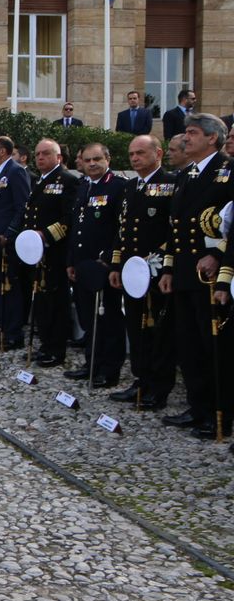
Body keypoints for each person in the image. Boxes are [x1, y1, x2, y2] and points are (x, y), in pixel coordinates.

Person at [160, 113, 233, 439]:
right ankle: (197, 406)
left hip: (210, 273)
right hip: (186, 272)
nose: (185, 138)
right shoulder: (186, 174)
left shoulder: (226, 172)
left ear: (211, 138)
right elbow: (175, 229)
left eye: (191, 133)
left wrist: (217, 254)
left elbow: (229, 223)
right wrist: (169, 268)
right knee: (188, 344)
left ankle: (220, 414)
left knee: (212, 345)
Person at [107, 135, 175, 410]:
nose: (134, 158)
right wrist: (116, 264)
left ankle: (159, 387)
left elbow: (175, 229)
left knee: (157, 332)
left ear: (157, 153)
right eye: (131, 154)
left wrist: (154, 262)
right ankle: (141, 379)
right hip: (132, 272)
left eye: (140, 153)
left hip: (157, 269)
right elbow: (122, 229)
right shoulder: (131, 186)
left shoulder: (170, 184)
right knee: (135, 328)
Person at [63, 143, 128, 387]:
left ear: (108, 159)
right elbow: (76, 227)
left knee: (108, 319)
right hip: (82, 265)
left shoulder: (118, 186)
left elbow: (122, 228)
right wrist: (71, 261)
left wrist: (112, 259)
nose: (92, 164)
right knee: (88, 317)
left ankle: (109, 370)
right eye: (87, 160)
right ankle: (92, 362)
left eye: (97, 159)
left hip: (103, 265)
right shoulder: (84, 187)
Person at [21, 139, 81, 367]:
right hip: (37, 252)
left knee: (56, 301)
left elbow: (69, 218)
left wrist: (45, 235)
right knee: (42, 301)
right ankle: (45, 344)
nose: (40, 158)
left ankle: (56, 349)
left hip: (55, 250)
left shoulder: (67, 181)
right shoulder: (39, 182)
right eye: (37, 154)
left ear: (59, 157)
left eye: (46, 153)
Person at [0, 136, 31, 350]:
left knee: (10, 288)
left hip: (6, 241)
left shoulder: (15, 171)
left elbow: (22, 207)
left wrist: (9, 234)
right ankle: (2, 329)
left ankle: (13, 333)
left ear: (2, 151)